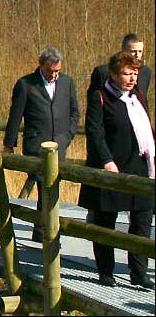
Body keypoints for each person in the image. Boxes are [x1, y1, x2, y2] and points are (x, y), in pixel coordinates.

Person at [79, 51, 155, 289]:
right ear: (113, 74)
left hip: (139, 167)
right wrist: (106, 162)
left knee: (142, 222)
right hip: (112, 168)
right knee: (105, 221)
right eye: (126, 73)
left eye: (135, 73)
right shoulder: (100, 97)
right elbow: (95, 133)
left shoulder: (138, 98)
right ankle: (105, 271)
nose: (132, 78)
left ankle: (139, 272)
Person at [3, 46, 80, 243]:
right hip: (37, 145)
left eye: (57, 71)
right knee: (44, 186)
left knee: (52, 187)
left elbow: (74, 112)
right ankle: (46, 232)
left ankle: (41, 230)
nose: (54, 75)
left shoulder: (67, 83)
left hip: (59, 145)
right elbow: (15, 116)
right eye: (50, 71)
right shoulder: (26, 84)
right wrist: (9, 144)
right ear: (41, 66)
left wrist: (68, 136)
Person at [88, 33, 151, 100]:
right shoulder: (103, 72)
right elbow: (94, 99)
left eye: (140, 51)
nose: (137, 55)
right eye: (133, 51)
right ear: (123, 50)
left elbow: (143, 99)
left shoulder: (145, 72)